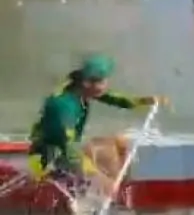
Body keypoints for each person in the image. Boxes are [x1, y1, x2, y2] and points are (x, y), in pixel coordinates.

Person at [27, 53, 164, 193]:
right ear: (88, 83)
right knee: (87, 167)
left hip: (64, 149)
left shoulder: (83, 89)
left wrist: (145, 101)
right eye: (104, 82)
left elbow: (116, 99)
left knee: (115, 144)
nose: (106, 86)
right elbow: (69, 148)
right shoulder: (63, 105)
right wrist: (98, 178)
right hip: (45, 159)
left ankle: (106, 189)